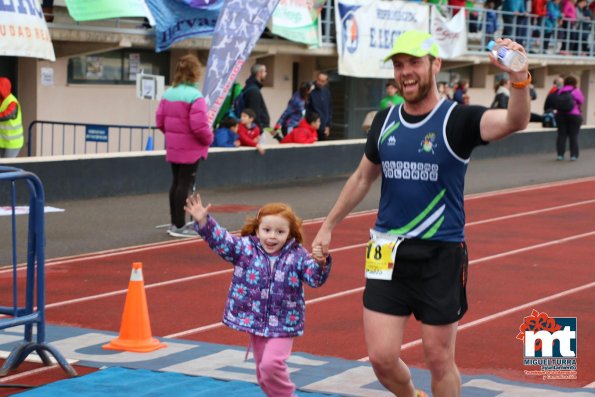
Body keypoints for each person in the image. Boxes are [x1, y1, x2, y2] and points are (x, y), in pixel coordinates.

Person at [311, 30, 531, 397]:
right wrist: (327, 226)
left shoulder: (457, 120)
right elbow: (363, 176)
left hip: (439, 254)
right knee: (381, 358)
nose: (405, 72)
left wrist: (519, 77)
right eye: (399, 65)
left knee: (438, 359)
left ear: (435, 65)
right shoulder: (384, 121)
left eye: (414, 62)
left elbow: (515, 121)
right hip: (386, 251)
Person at [185, 196, 331, 397]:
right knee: (263, 375)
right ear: (257, 229)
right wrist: (204, 221)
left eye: (280, 232)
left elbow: (314, 279)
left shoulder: (298, 256)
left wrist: (320, 262)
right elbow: (222, 241)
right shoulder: (245, 249)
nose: (272, 236)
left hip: (284, 323)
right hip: (255, 322)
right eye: (267, 230)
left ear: (290, 234)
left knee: (271, 365)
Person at [156, 54, 213, 238]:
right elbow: (200, 126)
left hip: (174, 145)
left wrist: (172, 136)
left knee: (176, 182)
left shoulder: (168, 93)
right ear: (195, 72)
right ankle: (180, 225)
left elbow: (160, 121)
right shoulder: (195, 96)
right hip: (191, 147)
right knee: (185, 184)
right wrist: (208, 139)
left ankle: (176, 221)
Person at [554, 75, 584, 161]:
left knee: (561, 135)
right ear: (575, 82)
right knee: (573, 135)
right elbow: (581, 100)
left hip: (560, 115)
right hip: (574, 115)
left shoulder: (561, 90)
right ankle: (573, 155)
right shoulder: (575, 90)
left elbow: (556, 101)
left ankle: (560, 155)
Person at [0, 77, 23, 159]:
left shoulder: (12, 101)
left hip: (13, 143)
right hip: (2, 141)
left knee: (8, 166)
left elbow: (8, 115)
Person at [242, 64, 270, 129]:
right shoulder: (254, 90)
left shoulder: (250, 87)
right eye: (264, 71)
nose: (266, 73)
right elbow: (254, 112)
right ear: (259, 73)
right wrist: (257, 130)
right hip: (255, 129)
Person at [307, 72, 332, 141]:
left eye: (322, 81)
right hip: (312, 127)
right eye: (319, 80)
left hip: (323, 127)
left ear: (326, 82)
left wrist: (328, 126)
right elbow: (305, 108)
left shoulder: (327, 92)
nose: (320, 82)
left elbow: (329, 110)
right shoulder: (310, 90)